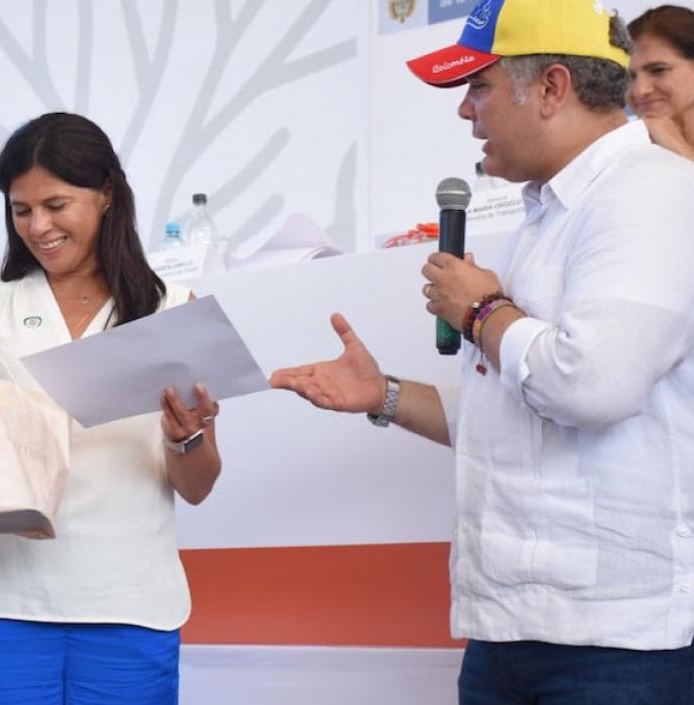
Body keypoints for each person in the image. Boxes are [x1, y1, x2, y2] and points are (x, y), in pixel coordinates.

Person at [274, 1, 694, 703]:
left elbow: (591, 386)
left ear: (552, 88)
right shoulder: (546, 216)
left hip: (616, 646)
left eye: (479, 87)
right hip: (508, 632)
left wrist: (480, 311)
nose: (466, 111)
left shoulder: (651, 192)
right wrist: (383, 395)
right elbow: (515, 407)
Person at [0, 112, 223, 705]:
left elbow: (197, 486)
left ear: (106, 194)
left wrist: (185, 437)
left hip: (128, 606)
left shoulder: (171, 308)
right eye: (21, 210)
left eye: (56, 205)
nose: (38, 226)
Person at [628, 5, 694, 159]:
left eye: (658, 70)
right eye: (630, 77)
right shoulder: (622, 153)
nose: (640, 90)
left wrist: (678, 148)